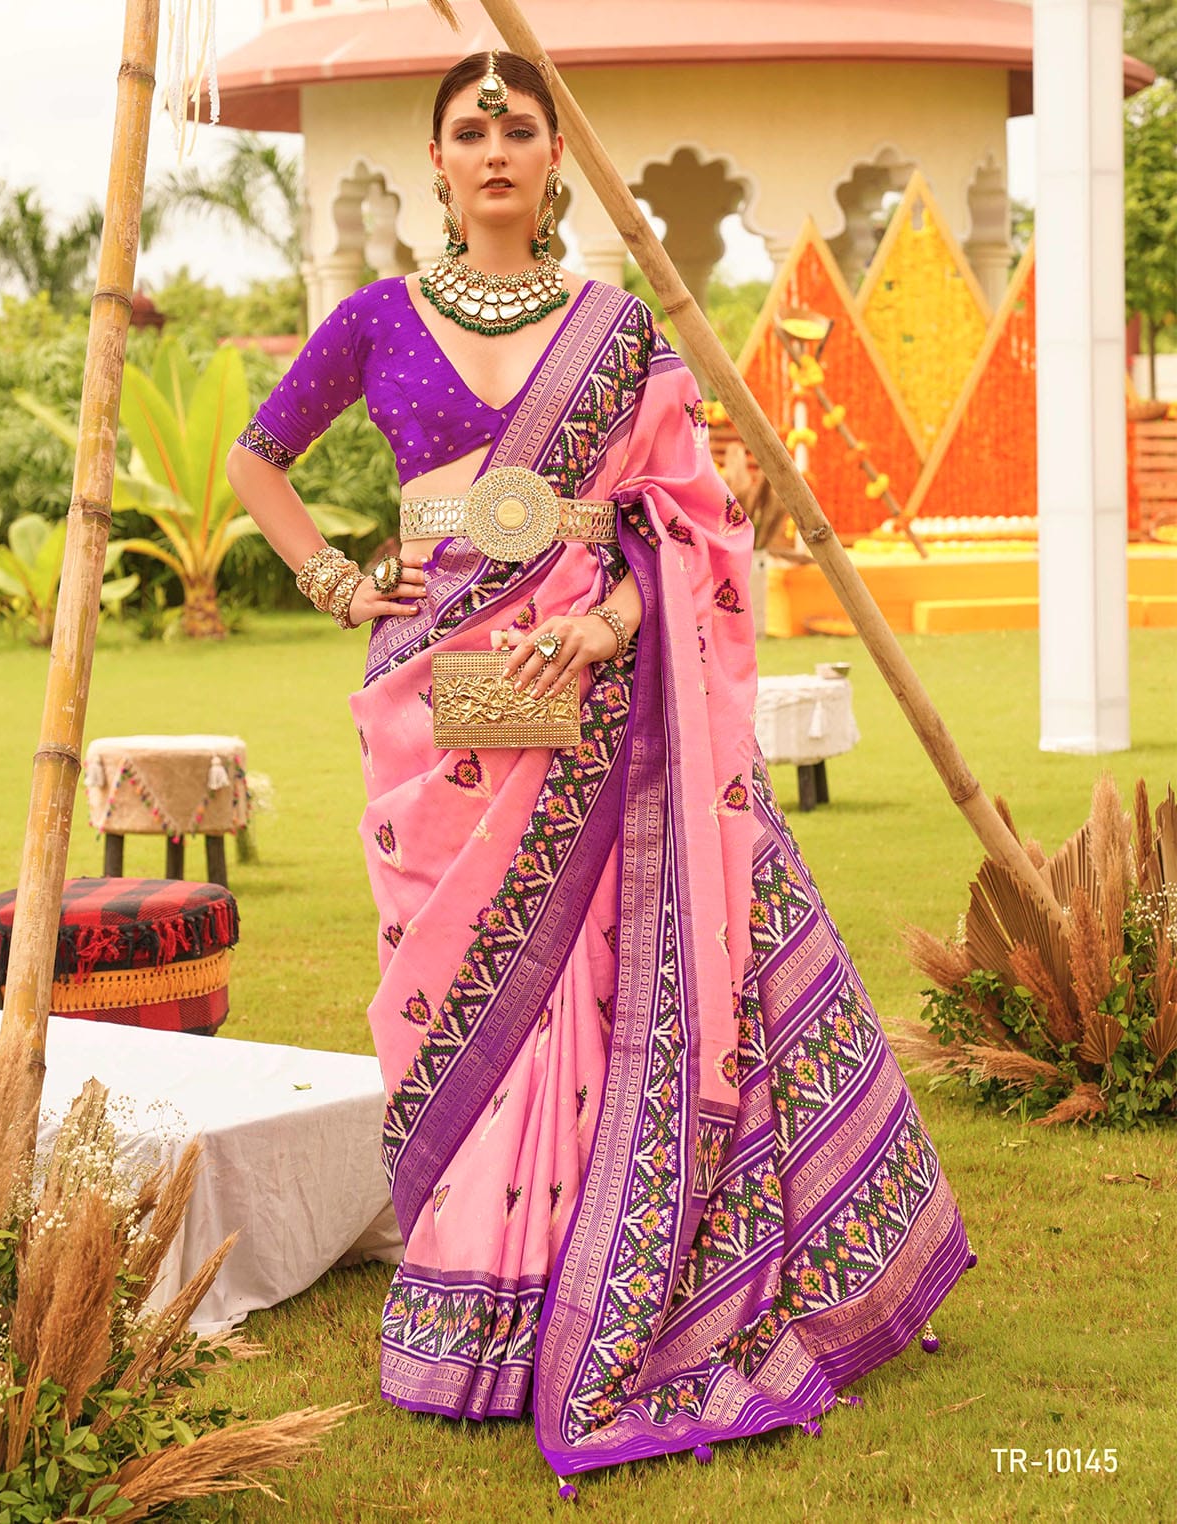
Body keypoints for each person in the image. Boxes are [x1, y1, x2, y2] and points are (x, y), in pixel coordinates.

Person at [226, 50, 974, 1489]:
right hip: (439, 692)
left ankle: (594, 1270)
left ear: (555, 159)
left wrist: (614, 617)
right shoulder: (379, 320)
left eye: (518, 127)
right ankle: (473, 1286)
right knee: (450, 986)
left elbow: (696, 517)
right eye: (468, 130)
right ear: (437, 165)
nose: (494, 149)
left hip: (599, 683)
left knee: (607, 977)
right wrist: (334, 577)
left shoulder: (617, 328)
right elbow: (267, 458)